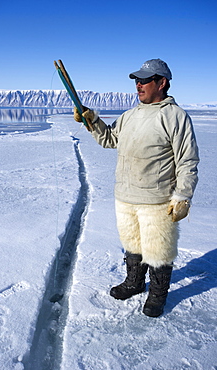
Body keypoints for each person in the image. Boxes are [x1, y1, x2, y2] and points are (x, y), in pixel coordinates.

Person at [74, 58, 199, 317]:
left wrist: (183, 195)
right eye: (136, 80)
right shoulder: (130, 116)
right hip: (126, 195)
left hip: (157, 199)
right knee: (133, 244)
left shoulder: (175, 116)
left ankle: (157, 294)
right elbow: (109, 139)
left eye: (145, 80)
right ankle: (134, 282)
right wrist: (91, 120)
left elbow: (187, 160)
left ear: (162, 82)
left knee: (158, 250)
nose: (138, 85)